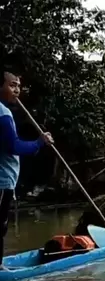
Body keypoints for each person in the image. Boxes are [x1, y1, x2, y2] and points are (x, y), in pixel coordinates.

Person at [0, 69, 53, 270]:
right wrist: (40, 142)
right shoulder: (3, 115)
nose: (17, 90)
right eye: (12, 85)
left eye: (19, 86)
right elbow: (13, 146)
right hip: (2, 181)